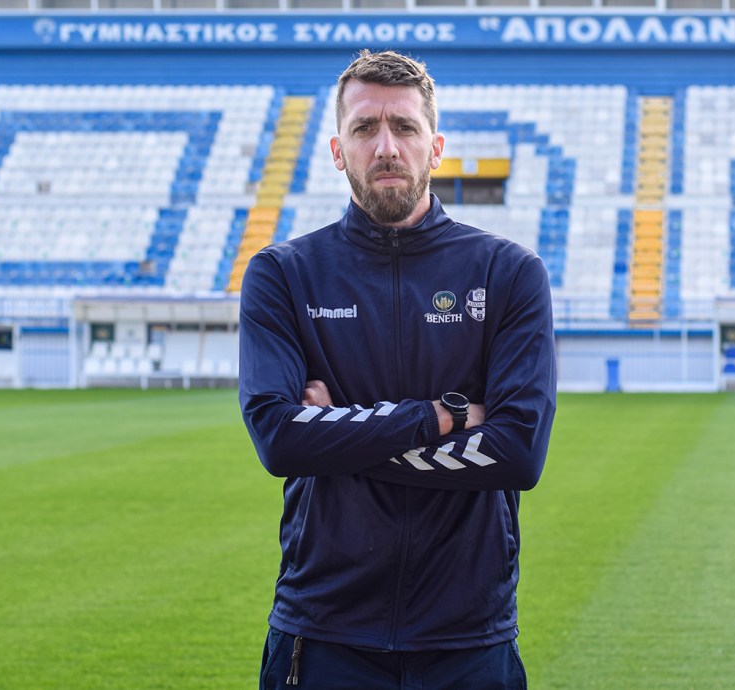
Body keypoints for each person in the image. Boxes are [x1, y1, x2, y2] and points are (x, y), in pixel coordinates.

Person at [239, 49, 557, 689]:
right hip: (323, 634)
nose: (386, 147)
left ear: (435, 148)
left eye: (404, 127)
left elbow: (520, 454)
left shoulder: (507, 273)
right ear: (338, 151)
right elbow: (279, 440)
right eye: (365, 128)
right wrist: (443, 417)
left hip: (468, 640)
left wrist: (338, 437)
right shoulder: (284, 275)